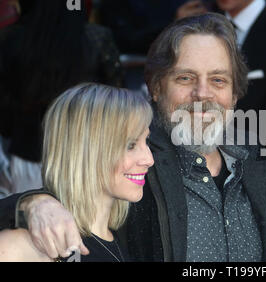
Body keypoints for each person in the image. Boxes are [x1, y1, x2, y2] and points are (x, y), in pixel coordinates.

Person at [0, 14, 266, 262]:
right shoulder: (135, 164)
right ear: (155, 87)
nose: (203, 94)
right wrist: (33, 203)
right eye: (186, 77)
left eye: (218, 80)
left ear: (236, 93)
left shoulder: (259, 158)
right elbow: (74, 184)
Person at [0, 83, 154, 261]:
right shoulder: (31, 245)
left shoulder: (129, 234)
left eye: (147, 141)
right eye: (131, 145)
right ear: (86, 151)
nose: (149, 160)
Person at [0, 0, 123, 195]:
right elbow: (116, 101)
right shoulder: (97, 38)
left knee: (30, 219)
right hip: (87, 152)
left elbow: (5, 109)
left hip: (29, 150)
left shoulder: (11, 39)